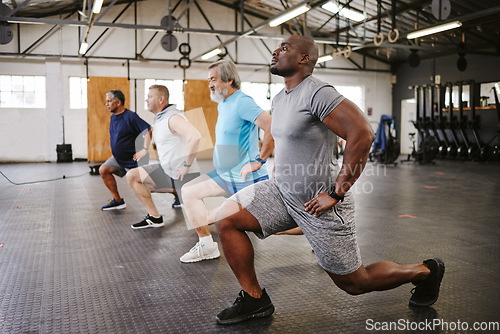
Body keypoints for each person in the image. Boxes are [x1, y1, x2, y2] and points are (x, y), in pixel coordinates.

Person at [213, 35, 445, 325]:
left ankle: (426, 271)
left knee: (355, 283)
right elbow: (288, 139)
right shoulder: (281, 97)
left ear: (304, 59)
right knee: (226, 218)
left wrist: (337, 192)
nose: (275, 51)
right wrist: (273, 164)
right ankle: (254, 299)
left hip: (320, 204)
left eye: (284, 48)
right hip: (282, 193)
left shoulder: (318, 92)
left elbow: (362, 133)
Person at [179, 59, 274, 263]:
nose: (210, 84)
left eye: (213, 79)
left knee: (273, 226)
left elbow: (271, 126)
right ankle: (207, 245)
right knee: (189, 192)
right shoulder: (223, 104)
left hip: (246, 177)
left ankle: (314, 228)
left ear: (229, 80)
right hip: (225, 175)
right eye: (208, 80)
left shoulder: (243, 102)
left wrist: (260, 160)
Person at [126, 85, 202, 229]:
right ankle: (155, 217)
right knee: (133, 176)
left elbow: (195, 136)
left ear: (161, 99)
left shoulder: (172, 117)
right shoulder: (160, 119)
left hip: (184, 177)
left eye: (150, 97)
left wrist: (186, 165)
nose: (146, 100)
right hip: (169, 173)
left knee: (203, 221)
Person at [100, 89, 151, 211]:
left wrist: (144, 149)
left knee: (151, 185)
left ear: (118, 103)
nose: (106, 104)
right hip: (119, 159)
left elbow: (148, 129)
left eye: (109, 101)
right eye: (106, 101)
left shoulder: (131, 116)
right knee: (104, 170)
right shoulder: (113, 116)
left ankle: (177, 194)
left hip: (133, 161)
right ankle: (118, 201)